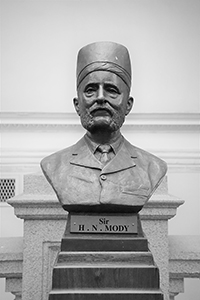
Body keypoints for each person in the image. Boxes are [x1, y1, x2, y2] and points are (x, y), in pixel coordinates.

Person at [41, 41, 167, 213]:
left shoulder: (153, 167)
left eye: (111, 90)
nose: (100, 98)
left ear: (128, 105)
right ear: (77, 105)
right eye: (91, 90)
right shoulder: (54, 165)